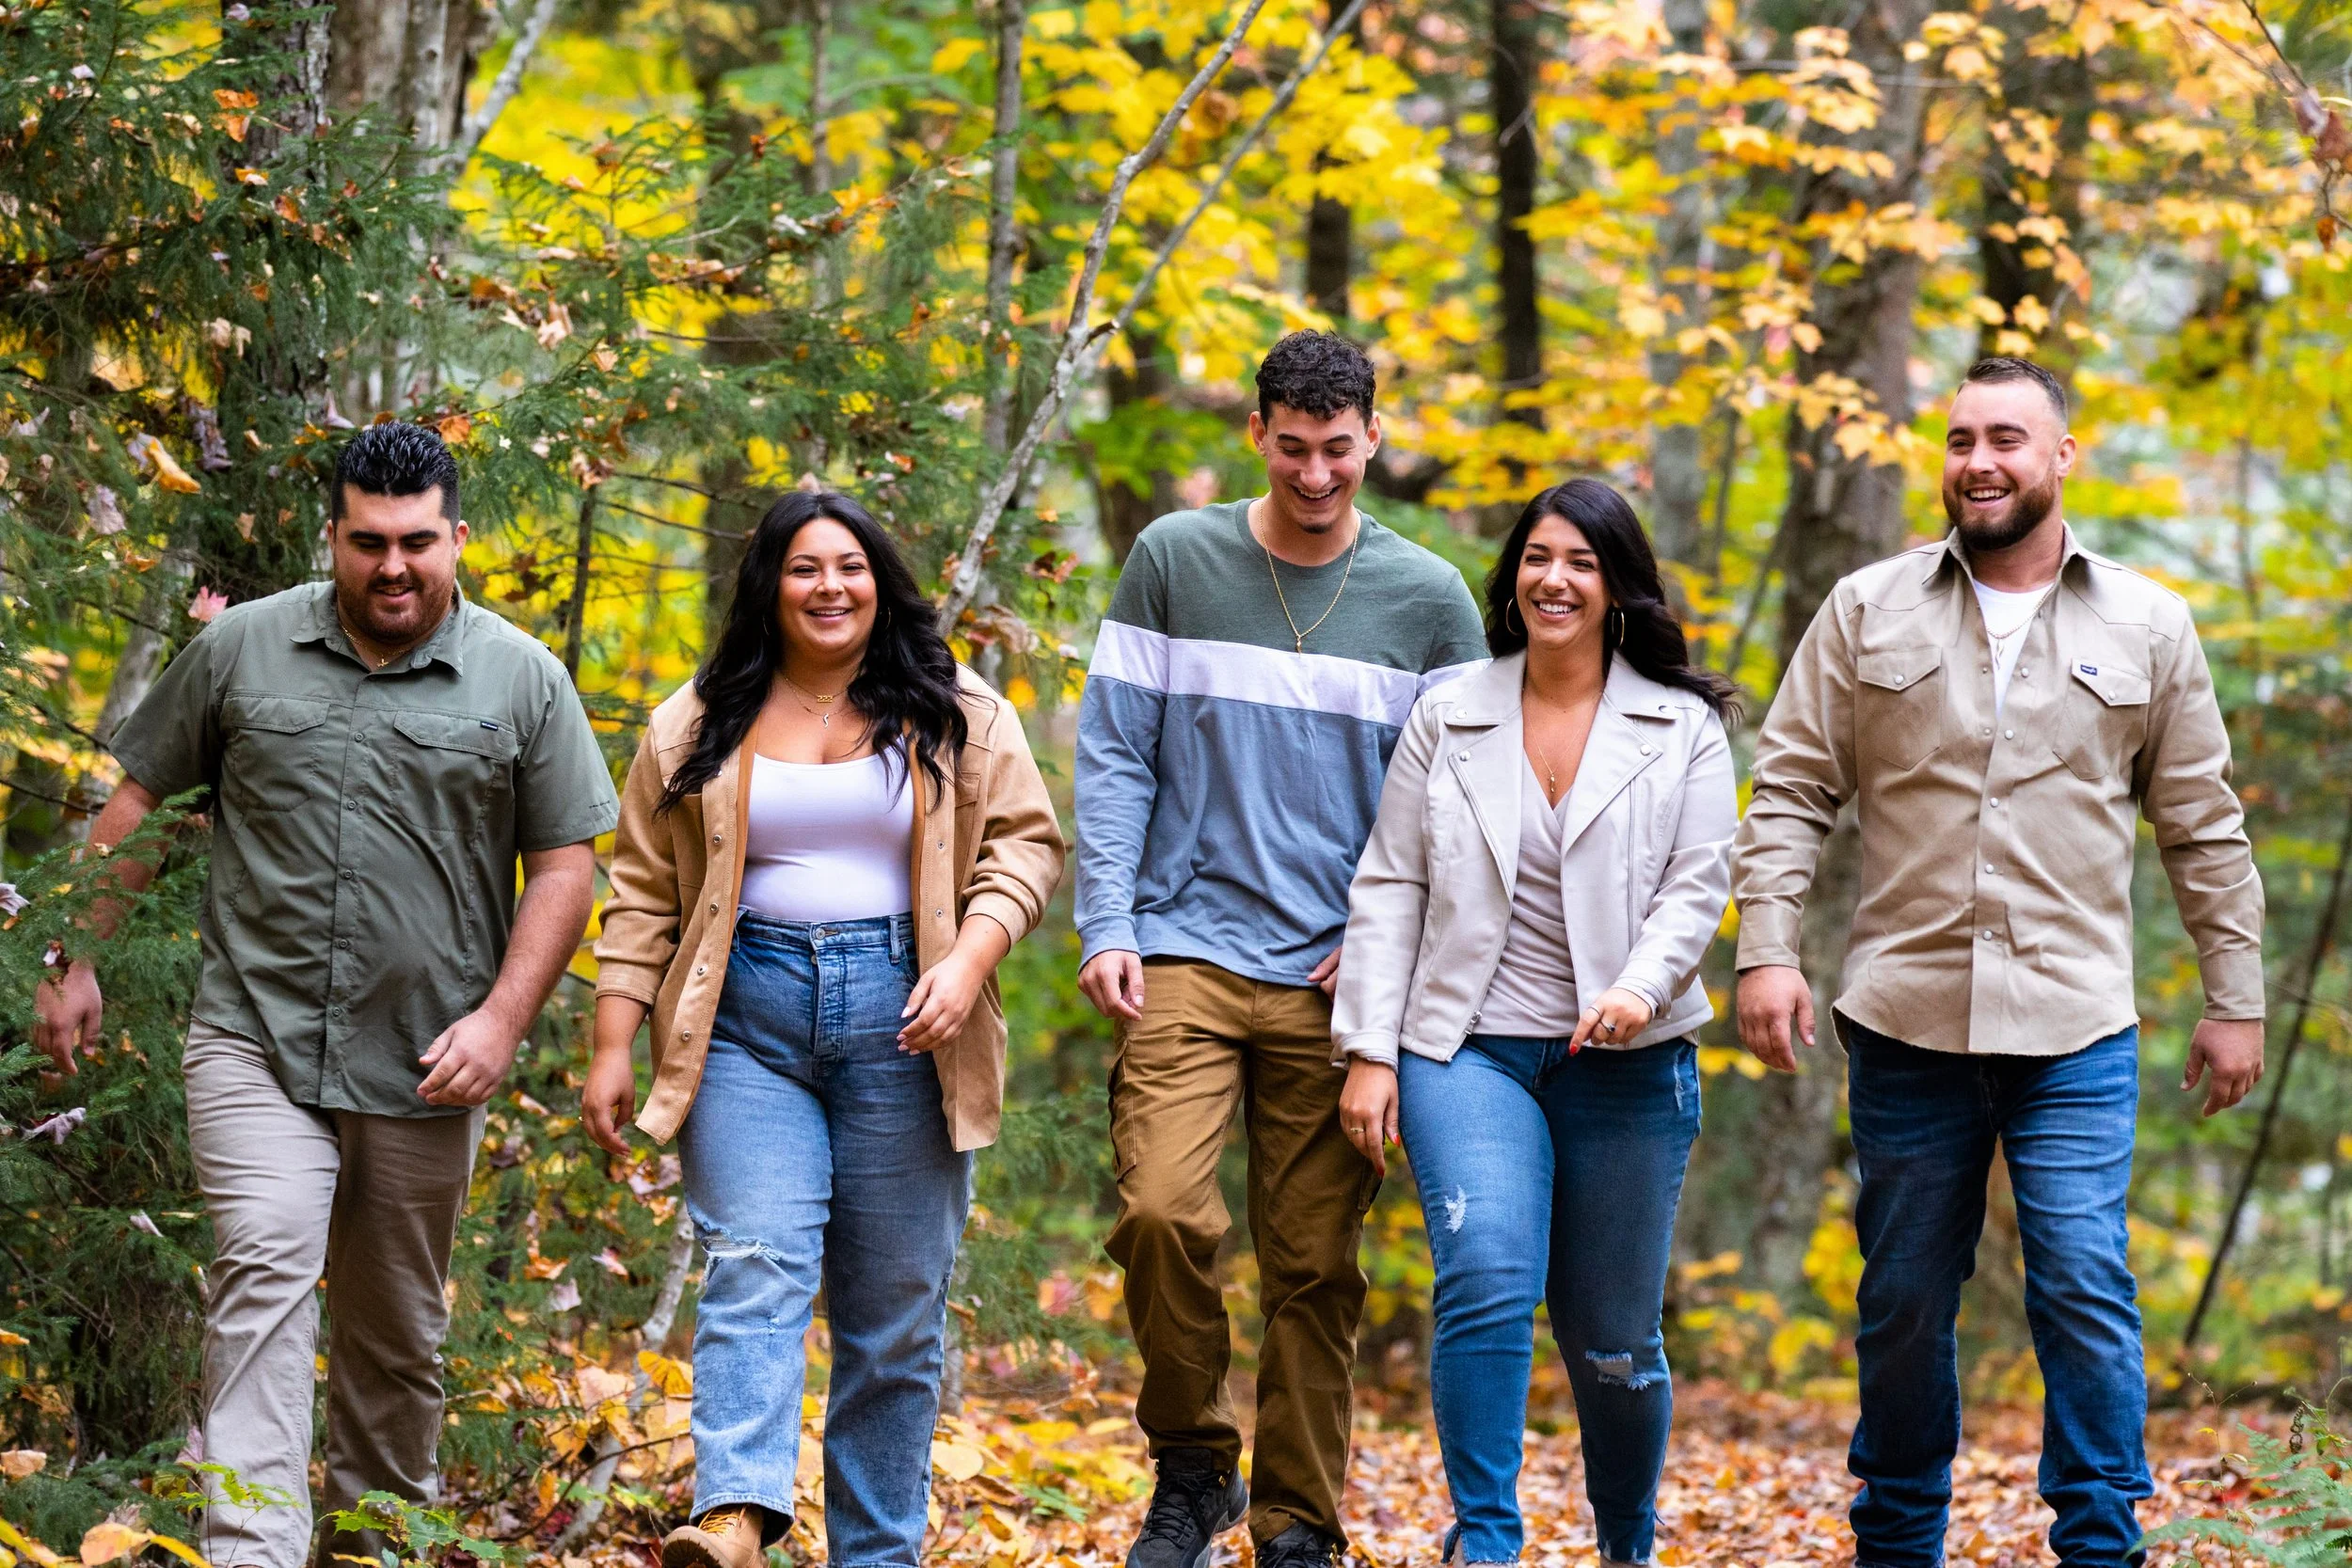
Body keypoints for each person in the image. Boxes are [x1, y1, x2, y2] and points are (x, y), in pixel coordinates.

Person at [32, 421, 617, 1568]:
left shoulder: (521, 678)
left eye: (415, 543)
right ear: (332, 537)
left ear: (458, 536)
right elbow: (140, 798)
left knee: (396, 1337)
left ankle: (372, 1547)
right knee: (262, 1266)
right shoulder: (245, 648)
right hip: (255, 1029)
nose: (391, 567)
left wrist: (502, 1019)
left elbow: (564, 866)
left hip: (427, 1054)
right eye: (366, 542)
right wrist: (75, 958)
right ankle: (250, 1548)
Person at [1732, 356, 2267, 1568]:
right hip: (1906, 1019)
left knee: (2082, 1278)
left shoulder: (2148, 622)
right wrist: (1766, 950)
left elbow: (2200, 822)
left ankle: (2097, 1543)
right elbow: (1789, 791)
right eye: (1961, 437)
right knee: (1905, 1297)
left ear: (2061, 456)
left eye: (2009, 438)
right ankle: (1898, 1541)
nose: (1980, 459)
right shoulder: (1868, 607)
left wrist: (2233, 997)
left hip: (2075, 1024)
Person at [585, 490, 1063, 1568]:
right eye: (804, 568)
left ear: (878, 579)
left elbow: (1026, 848)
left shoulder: (956, 707)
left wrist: (967, 957)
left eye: (848, 565)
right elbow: (643, 895)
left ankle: (875, 1555)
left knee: (893, 1318)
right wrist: (614, 1042)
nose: (829, 586)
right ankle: (738, 1516)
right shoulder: (698, 718)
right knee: (753, 1257)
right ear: (770, 587)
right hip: (743, 1022)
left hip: (907, 1017)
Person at [1073, 331, 1488, 1568]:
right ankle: (1197, 1462)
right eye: (1294, 448)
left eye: (1340, 449)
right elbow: (1113, 756)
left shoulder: (1430, 598)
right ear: (1258, 432)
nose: (1317, 473)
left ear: (1375, 435)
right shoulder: (1174, 560)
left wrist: (1385, 953)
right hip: (1185, 946)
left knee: (1313, 1262)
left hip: (1338, 973)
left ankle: (1300, 1516)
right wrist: (1107, 919)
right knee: (1160, 1210)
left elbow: (1463, 809)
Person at [1332, 478, 1737, 1568]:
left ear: (1616, 585)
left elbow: (1698, 888)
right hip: (1466, 1047)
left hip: (1626, 1059)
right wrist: (1370, 1048)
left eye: (1583, 562)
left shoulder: (1681, 725)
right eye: (1538, 557)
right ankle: (1488, 1542)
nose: (1555, 579)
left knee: (1612, 1342)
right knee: (1487, 1275)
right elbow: (1391, 885)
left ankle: (1625, 1540)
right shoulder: (1450, 710)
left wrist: (1640, 986)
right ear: (1514, 575)